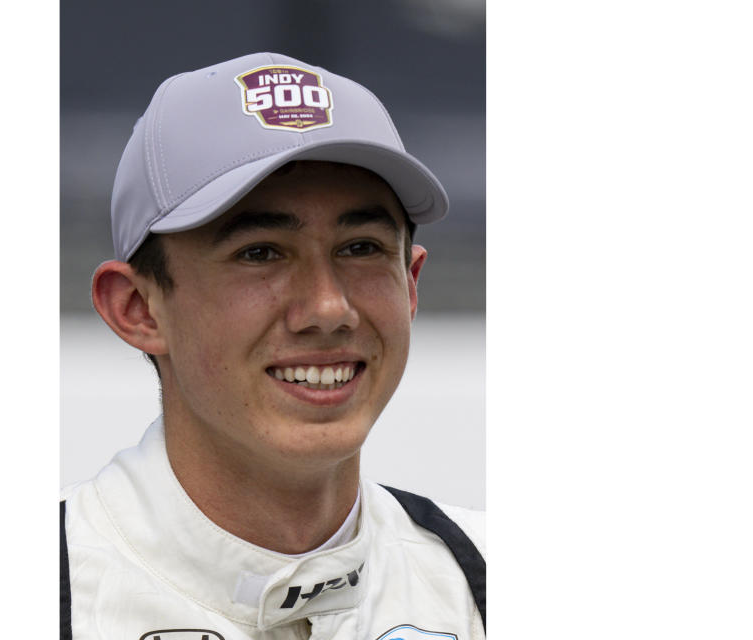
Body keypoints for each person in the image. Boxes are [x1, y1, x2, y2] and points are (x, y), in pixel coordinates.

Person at [60, 52, 485, 640]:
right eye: (259, 252)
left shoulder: (483, 579)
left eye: (361, 248)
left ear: (410, 283)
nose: (329, 308)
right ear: (136, 308)